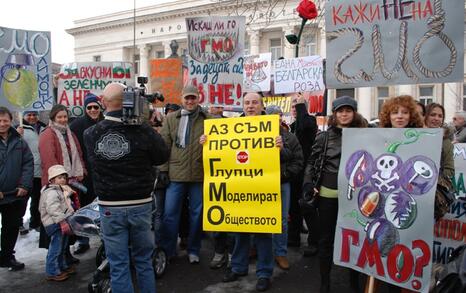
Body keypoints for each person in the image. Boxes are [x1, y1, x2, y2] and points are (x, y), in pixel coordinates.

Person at [84, 83, 169, 293]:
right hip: (140, 204)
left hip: (110, 206)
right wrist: (145, 124)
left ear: (103, 101)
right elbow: (162, 156)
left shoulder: (90, 134)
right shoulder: (143, 131)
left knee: (118, 263)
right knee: (143, 260)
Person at [220, 92, 300, 292]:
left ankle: (264, 272)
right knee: (240, 230)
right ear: (243, 106)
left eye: (254, 102)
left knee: (263, 232)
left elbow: (293, 158)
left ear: (262, 105)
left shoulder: (275, 129)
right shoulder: (231, 128)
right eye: (247, 103)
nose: (250, 106)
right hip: (241, 187)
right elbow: (221, 152)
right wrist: (207, 142)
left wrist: (281, 149)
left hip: (265, 187)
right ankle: (238, 267)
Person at [303, 96, 366, 293]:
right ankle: (325, 282)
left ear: (354, 113)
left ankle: (354, 283)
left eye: (348, 110)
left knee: (354, 239)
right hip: (328, 194)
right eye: (340, 110)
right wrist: (308, 183)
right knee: (326, 239)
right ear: (335, 114)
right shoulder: (324, 137)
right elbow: (312, 163)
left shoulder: (366, 135)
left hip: (356, 196)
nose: (344, 114)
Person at [378, 95, 425, 293]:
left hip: (411, 202)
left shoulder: (421, 138)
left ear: (411, 115)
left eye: (404, 112)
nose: (399, 116)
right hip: (384, 202)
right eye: (395, 112)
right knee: (386, 248)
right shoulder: (378, 138)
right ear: (387, 116)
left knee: (406, 249)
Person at [159, 85, 210, 264]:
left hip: (199, 174)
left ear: (198, 99)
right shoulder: (171, 119)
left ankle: (194, 249)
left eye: (193, 98)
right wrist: (163, 169)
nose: (190, 101)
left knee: (197, 214)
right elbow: (164, 146)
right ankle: (168, 250)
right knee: (170, 214)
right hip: (176, 174)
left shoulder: (208, 119)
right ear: (181, 98)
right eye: (187, 98)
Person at [38, 104, 86, 264]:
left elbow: (78, 153)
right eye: (59, 117)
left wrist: (81, 170)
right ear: (53, 118)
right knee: (58, 221)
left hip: (70, 183)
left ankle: (66, 254)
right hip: (56, 185)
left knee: (69, 220)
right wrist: (61, 180)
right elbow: (49, 160)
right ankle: (56, 260)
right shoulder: (48, 134)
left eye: (65, 116)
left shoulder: (70, 133)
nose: (63, 119)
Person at [265, 104, 303, 270]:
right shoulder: (252, 134)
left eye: (279, 115)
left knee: (281, 220)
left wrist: (285, 174)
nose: (276, 118)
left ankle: (280, 252)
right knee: (255, 218)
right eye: (272, 115)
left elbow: (298, 161)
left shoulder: (290, 138)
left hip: (281, 183)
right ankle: (254, 247)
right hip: (259, 183)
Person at [70, 93, 104, 255]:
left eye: (95, 107)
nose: (92, 110)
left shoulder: (107, 122)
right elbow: (73, 150)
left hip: (105, 173)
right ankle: (83, 240)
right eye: (89, 107)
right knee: (84, 205)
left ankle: (106, 237)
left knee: (104, 205)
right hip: (85, 173)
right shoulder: (76, 125)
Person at [0, 107, 33, 271]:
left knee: (11, 227)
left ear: (11, 120)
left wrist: (24, 185)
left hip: (13, 194)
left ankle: (7, 257)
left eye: (5, 120)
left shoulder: (19, 140)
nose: (2, 124)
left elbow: (27, 163)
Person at [288, 93, 318, 255]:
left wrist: (301, 106)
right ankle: (293, 237)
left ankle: (313, 241)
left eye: (297, 107)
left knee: (308, 207)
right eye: (292, 107)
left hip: (306, 172)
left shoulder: (309, 121)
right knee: (293, 207)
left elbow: (304, 126)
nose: (294, 110)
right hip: (294, 172)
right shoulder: (291, 126)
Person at [39, 165, 77, 281]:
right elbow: (53, 209)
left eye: (64, 177)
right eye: (59, 177)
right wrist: (62, 221)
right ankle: (52, 271)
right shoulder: (51, 192)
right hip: (55, 223)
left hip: (62, 221)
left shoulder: (61, 190)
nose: (62, 180)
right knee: (56, 248)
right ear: (52, 180)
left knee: (62, 246)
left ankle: (62, 266)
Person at [16, 111, 46, 233]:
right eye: (29, 115)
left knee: (37, 199)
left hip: (41, 170)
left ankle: (35, 222)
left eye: (34, 114)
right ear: (24, 116)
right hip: (26, 171)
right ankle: (18, 223)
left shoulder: (44, 128)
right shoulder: (19, 129)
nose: (32, 117)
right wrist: (17, 135)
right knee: (23, 199)